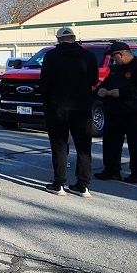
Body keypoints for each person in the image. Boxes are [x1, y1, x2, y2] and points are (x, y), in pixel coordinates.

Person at [38, 27, 99, 197]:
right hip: (82, 106)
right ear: (74, 38)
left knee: (59, 146)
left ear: (58, 40)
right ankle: (83, 185)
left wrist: (46, 102)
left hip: (57, 106)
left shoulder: (51, 56)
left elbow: (45, 82)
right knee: (84, 147)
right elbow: (94, 80)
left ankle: (59, 184)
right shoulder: (88, 56)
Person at [95, 41, 137, 184]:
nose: (112, 60)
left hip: (135, 113)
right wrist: (101, 91)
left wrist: (122, 93)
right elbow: (106, 84)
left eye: (113, 56)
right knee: (111, 142)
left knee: (136, 144)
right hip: (115, 112)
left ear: (121, 54)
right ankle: (111, 170)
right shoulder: (116, 69)